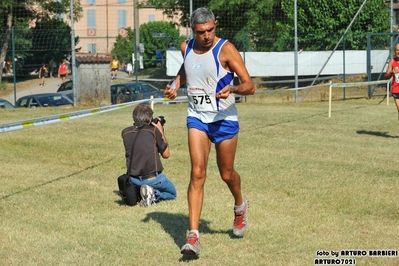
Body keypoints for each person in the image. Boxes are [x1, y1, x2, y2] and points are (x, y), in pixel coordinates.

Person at [164, 7, 255, 256]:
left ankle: (240, 205)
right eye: (201, 31)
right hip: (198, 118)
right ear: (193, 30)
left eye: (211, 30)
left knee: (227, 174)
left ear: (216, 25)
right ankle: (192, 236)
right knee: (197, 172)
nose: (207, 35)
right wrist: (174, 85)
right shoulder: (186, 47)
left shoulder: (226, 49)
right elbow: (186, 70)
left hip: (224, 119)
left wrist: (233, 90)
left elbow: (250, 85)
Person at [121, 104, 177, 207]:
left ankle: (142, 191)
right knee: (172, 193)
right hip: (152, 178)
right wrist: (160, 129)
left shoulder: (125, 132)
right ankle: (154, 194)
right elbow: (166, 154)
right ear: (150, 118)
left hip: (133, 179)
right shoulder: (153, 130)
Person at [385, 43, 399, 120]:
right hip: (396, 90)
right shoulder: (392, 61)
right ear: (395, 51)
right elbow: (386, 76)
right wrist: (392, 72)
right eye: (397, 50)